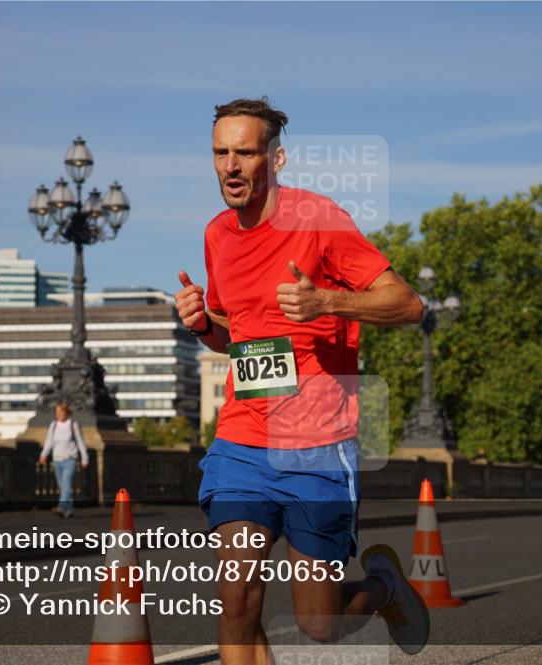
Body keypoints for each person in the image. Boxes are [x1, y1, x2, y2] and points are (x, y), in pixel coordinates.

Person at [175, 98, 428, 664]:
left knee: (320, 622)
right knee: (236, 602)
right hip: (241, 440)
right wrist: (200, 325)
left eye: (245, 152)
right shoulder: (217, 235)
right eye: (221, 153)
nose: (231, 166)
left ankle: (384, 589)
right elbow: (233, 339)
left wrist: (326, 301)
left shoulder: (320, 219)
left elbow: (408, 303)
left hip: (317, 444)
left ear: (276, 157)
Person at [38, 402, 89, 518]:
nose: (59, 414)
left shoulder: (73, 425)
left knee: (66, 484)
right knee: (63, 487)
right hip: (57, 460)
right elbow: (49, 441)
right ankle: (70, 509)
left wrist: (85, 458)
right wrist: (43, 454)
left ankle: (61, 507)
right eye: (57, 412)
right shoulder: (53, 425)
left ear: (67, 413)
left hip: (70, 459)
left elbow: (80, 442)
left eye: (61, 412)